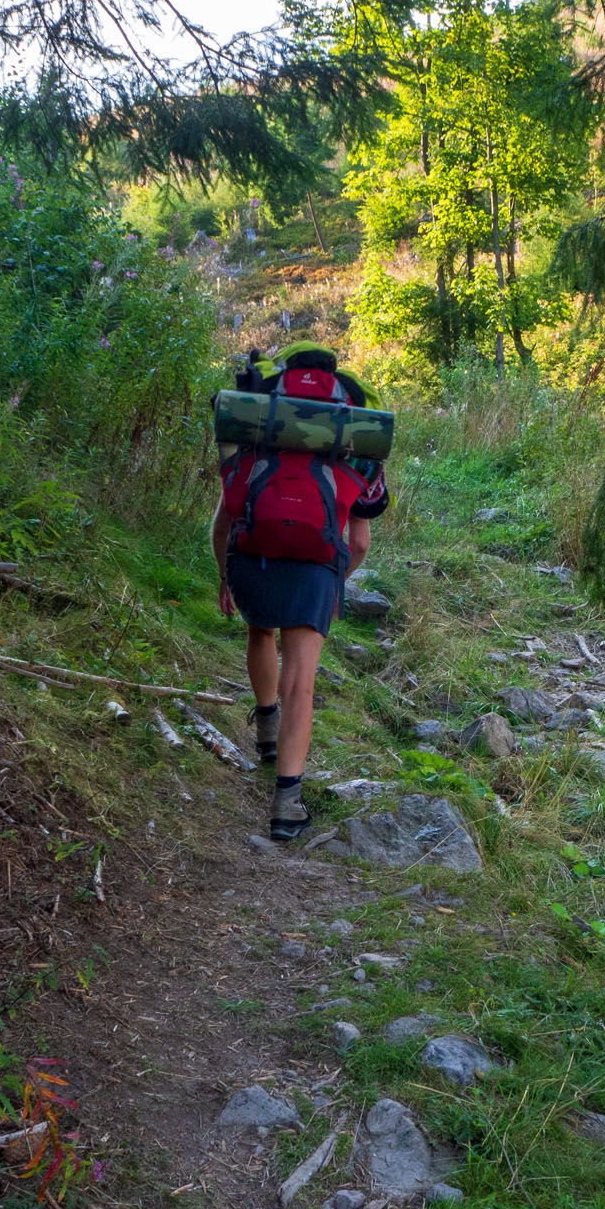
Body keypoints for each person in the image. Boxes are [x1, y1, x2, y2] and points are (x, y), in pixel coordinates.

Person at [211, 345, 389, 841]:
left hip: (253, 558)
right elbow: (359, 540)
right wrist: (335, 579)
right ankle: (287, 805)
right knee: (301, 685)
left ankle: (265, 729)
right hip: (316, 569)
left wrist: (225, 574)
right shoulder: (352, 435)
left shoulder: (260, 425)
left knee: (260, 630)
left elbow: (225, 518)